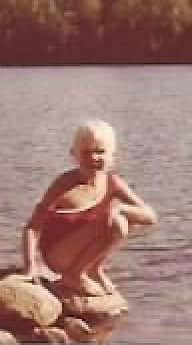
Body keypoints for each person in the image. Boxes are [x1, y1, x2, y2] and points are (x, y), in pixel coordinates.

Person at [22, 119, 158, 296]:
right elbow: (33, 227)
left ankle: (93, 269)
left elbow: (150, 217)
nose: (93, 158)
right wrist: (31, 267)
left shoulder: (113, 182)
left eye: (100, 152)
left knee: (123, 219)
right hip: (58, 253)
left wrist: (119, 209)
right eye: (86, 152)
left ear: (112, 155)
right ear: (74, 154)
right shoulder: (64, 183)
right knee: (116, 222)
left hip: (80, 250)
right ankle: (74, 275)